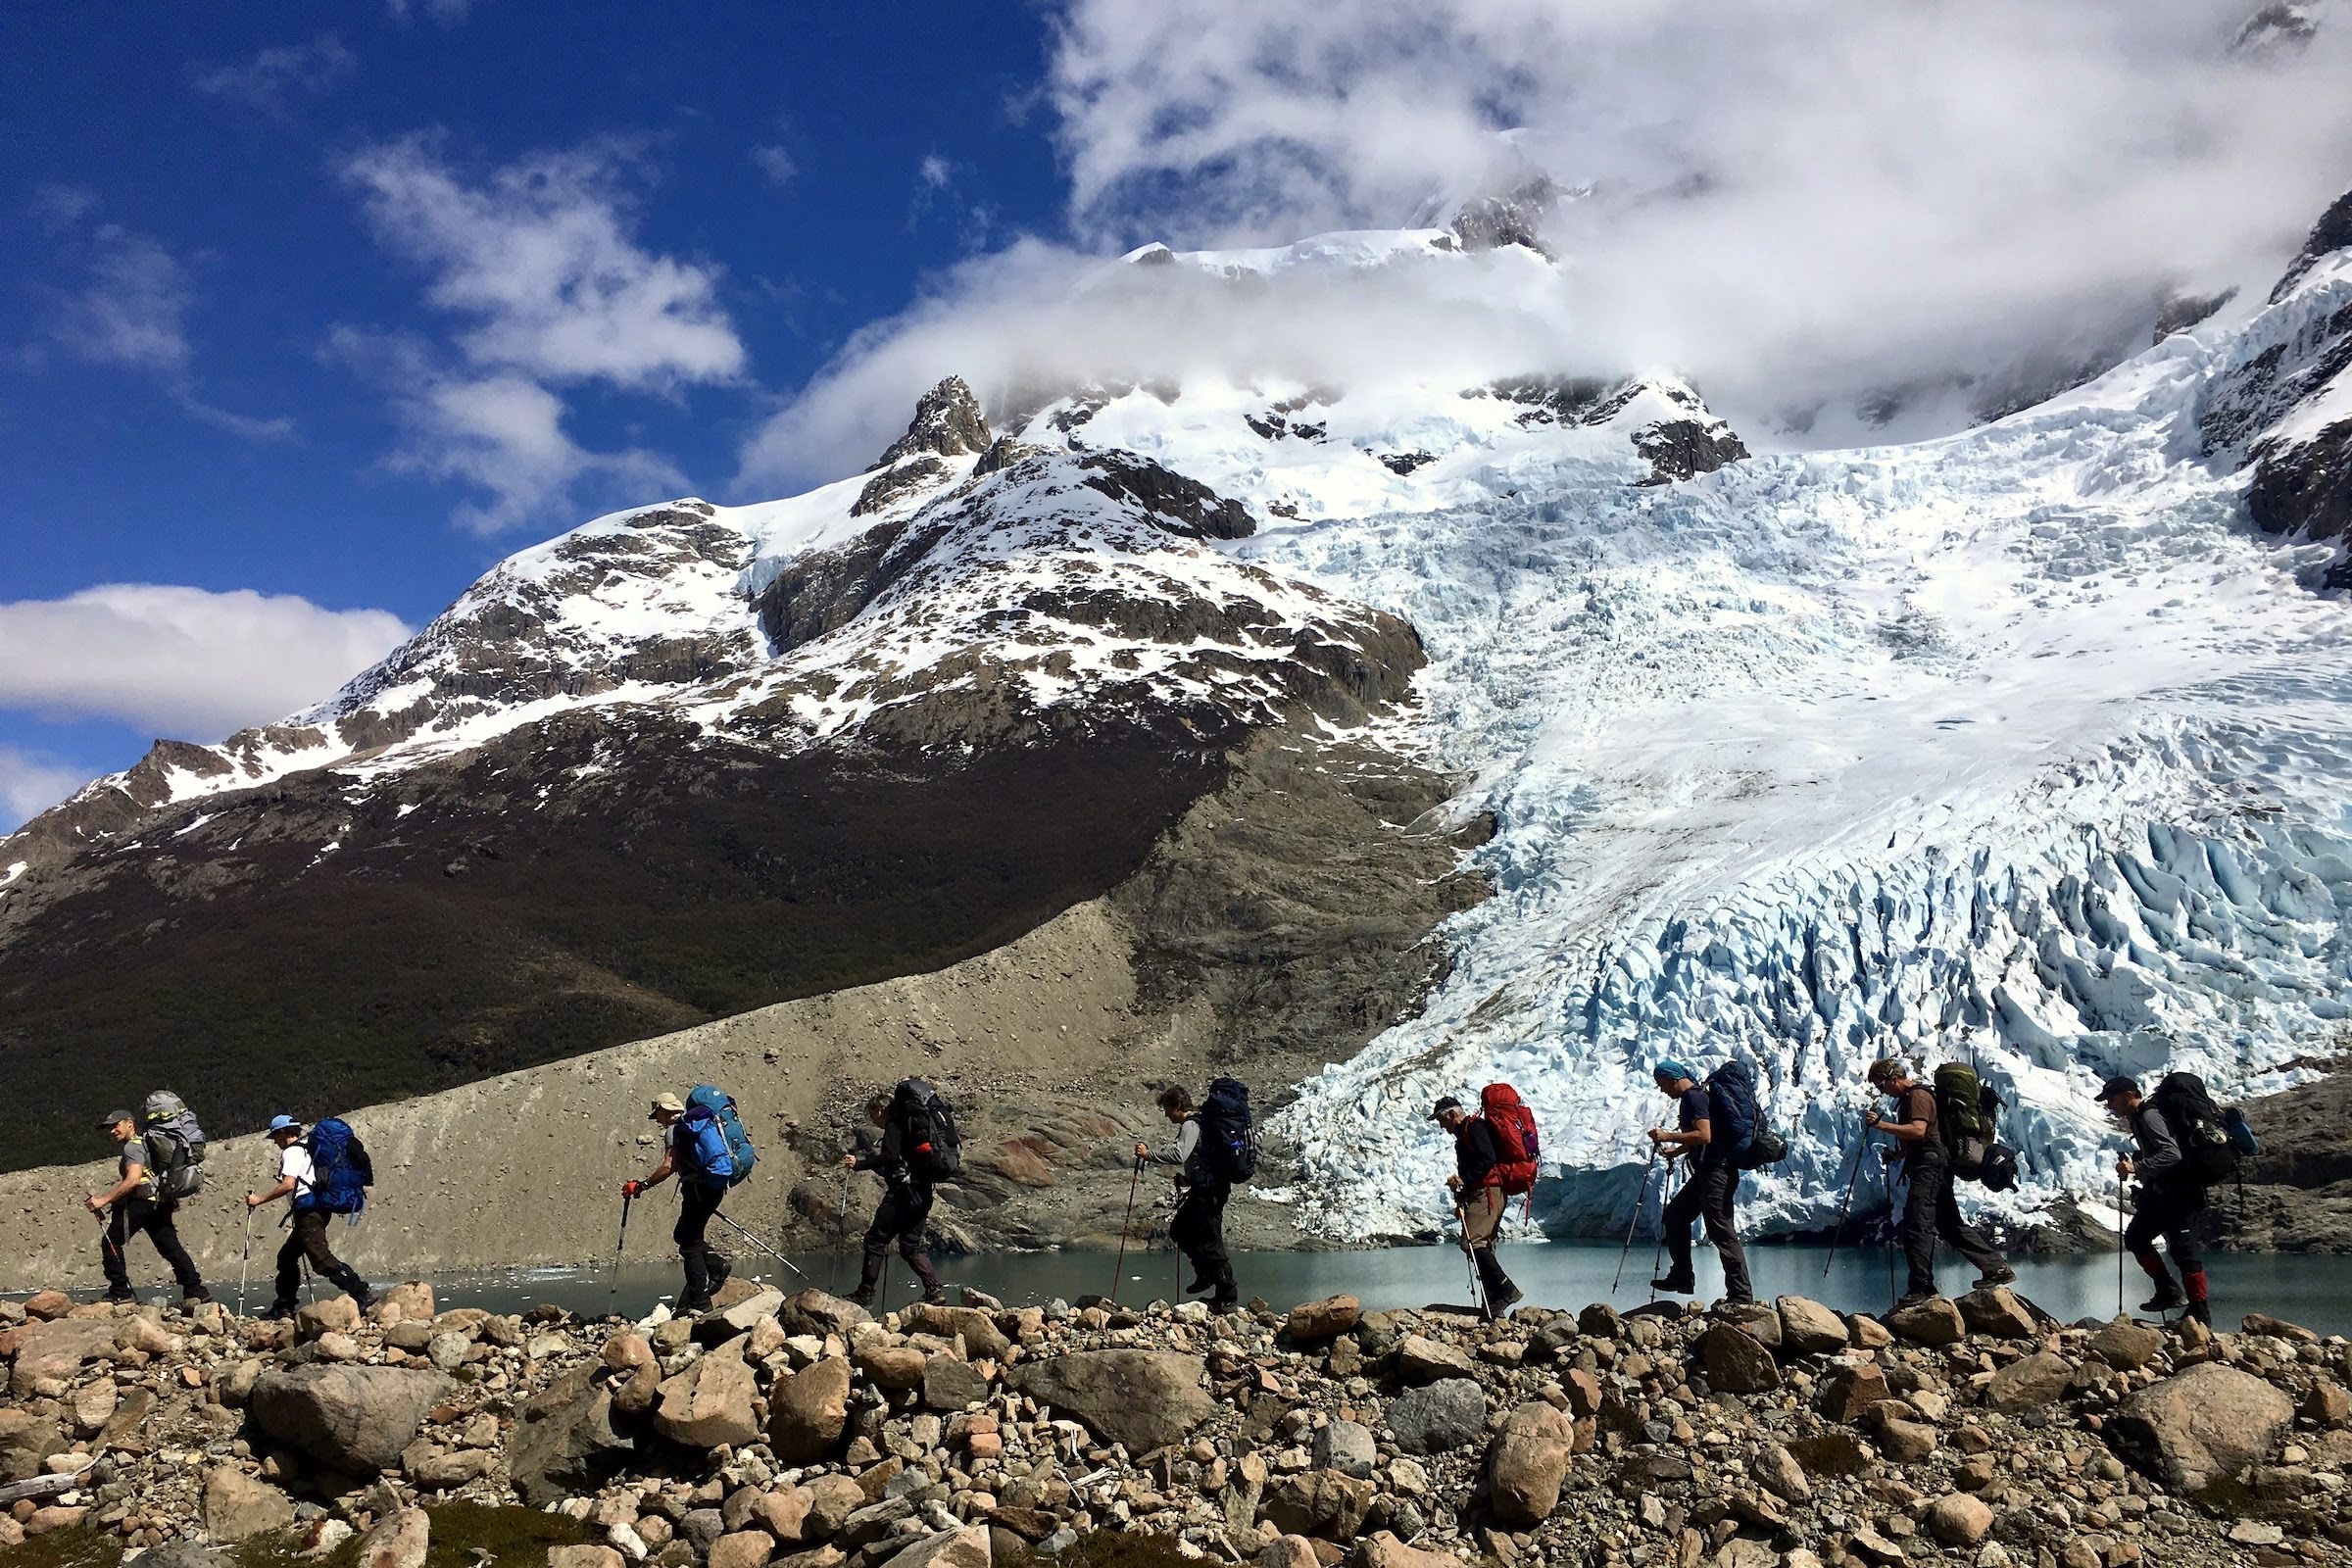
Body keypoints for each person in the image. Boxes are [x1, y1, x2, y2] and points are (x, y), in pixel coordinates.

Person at [1865, 1058, 2014, 1308]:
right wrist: (1898, 1155)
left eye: (1881, 1085)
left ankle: (1921, 1288)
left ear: (1894, 1078)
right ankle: (1996, 1267)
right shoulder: (1914, 1098)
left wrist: (1880, 1125)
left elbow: (1919, 1131)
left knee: (1917, 1224)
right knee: (1949, 1225)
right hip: (1934, 1166)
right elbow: (1924, 1135)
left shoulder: (1918, 1097)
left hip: (1930, 1168)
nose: (1882, 1091)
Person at [2097, 1075, 2213, 1324]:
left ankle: (2199, 1313)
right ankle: (2169, 1292)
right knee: (2138, 1237)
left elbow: (2172, 1154)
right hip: (2164, 1192)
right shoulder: (2139, 1118)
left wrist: (2136, 1168)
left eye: (2112, 1099)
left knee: (2184, 1251)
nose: (2110, 1105)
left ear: (2129, 1095)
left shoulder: (2149, 1116)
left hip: (2182, 1193)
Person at [1646, 1059, 1753, 1304]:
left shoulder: (1693, 1098)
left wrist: (1667, 1135)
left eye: (1661, 1084)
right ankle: (1682, 1276)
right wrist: (1677, 1151)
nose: (1662, 1090)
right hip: (1708, 1173)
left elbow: (1704, 1135)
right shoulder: (1696, 1097)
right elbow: (1705, 1137)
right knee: (1675, 1216)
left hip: (1717, 1174)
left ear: (1672, 1079)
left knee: (1721, 1231)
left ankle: (1741, 1294)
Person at [247, 1114, 373, 1317]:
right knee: (287, 1257)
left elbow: (288, 1184)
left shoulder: (291, 1152)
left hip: (308, 1212)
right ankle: (283, 1306)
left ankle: (362, 1293)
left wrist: (259, 1199)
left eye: (275, 1137)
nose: (275, 1142)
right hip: (316, 1209)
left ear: (283, 1133)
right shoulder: (309, 1147)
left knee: (321, 1260)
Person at [621, 1092, 732, 1315]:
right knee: (687, 1235)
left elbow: (669, 1166)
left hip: (697, 1189)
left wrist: (642, 1185)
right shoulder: (699, 1125)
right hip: (714, 1186)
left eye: (657, 1115)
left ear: (664, 1110)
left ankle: (700, 1302)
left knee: (689, 1243)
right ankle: (717, 1266)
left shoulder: (676, 1129)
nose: (657, 1121)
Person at [86, 1108, 210, 1306]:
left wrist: (104, 1200)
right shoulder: (147, 1144)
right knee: (170, 1248)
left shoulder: (132, 1147)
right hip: (160, 1203)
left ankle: (120, 1292)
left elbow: (133, 1180)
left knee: (111, 1242)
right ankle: (196, 1290)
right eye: (109, 1128)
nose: (112, 1131)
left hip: (142, 1203)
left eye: (115, 1125)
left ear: (129, 1123)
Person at [1135, 1086, 1238, 1313]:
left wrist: (1148, 1154)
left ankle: (1226, 1294)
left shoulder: (1191, 1125)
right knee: (1192, 1233)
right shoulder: (1201, 1124)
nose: (1166, 1114)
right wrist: (1189, 1179)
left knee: (1200, 1237)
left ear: (1178, 1106)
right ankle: (1214, 1285)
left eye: (1167, 1109)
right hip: (1209, 1189)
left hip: (1208, 1193)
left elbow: (1180, 1154)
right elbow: (1204, 1160)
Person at [841, 1092, 947, 1308]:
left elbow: (889, 1156)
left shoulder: (894, 1125)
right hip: (922, 1191)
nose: (873, 1120)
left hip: (902, 1193)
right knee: (910, 1245)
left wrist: (859, 1164)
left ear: (880, 1109)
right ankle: (934, 1290)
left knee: (875, 1240)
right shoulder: (911, 1128)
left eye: (872, 1114)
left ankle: (865, 1294)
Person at [1432, 1094, 1523, 1315]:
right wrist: (1464, 1190)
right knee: (1483, 1246)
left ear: (1452, 1114)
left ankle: (1507, 1290)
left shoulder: (1475, 1128)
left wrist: (1466, 1179)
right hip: (1481, 1193)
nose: (1443, 1127)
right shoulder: (1465, 1135)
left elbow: (1488, 1158)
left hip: (1488, 1192)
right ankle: (1493, 1305)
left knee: (1472, 1243)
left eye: (1442, 1121)